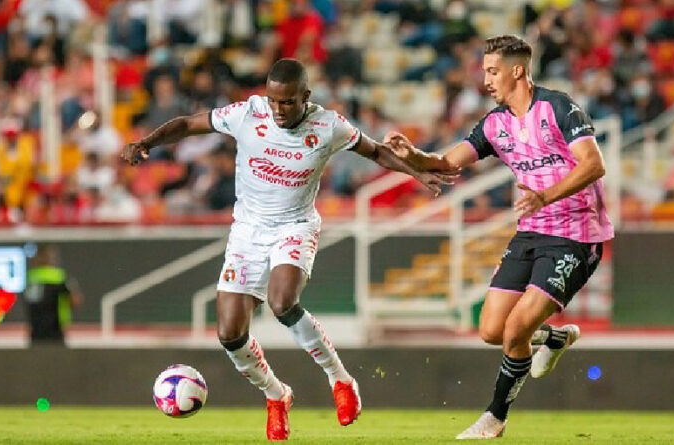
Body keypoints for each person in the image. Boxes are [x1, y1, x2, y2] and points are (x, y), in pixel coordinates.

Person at [121, 58, 454, 441]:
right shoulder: (247, 113)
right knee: (230, 333)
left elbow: (376, 152)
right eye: (274, 100)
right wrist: (146, 142)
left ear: (305, 97)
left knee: (282, 303)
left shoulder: (328, 125)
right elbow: (187, 124)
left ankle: (340, 380)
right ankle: (276, 396)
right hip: (246, 232)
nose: (279, 110)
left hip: (294, 226)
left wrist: (417, 172)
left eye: (288, 102)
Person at [386, 35, 614, 439]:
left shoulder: (558, 107)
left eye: (492, 71)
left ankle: (494, 417)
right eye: (484, 70)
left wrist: (544, 195)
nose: (485, 79)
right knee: (492, 330)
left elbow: (593, 164)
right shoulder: (495, 123)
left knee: (514, 331)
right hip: (530, 232)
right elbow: (447, 163)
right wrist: (413, 156)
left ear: (518, 70)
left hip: (577, 235)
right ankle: (557, 338)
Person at [23, 244, 83, 346]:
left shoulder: (31, 277)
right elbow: (75, 302)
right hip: (55, 331)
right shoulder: (58, 277)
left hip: (35, 332)